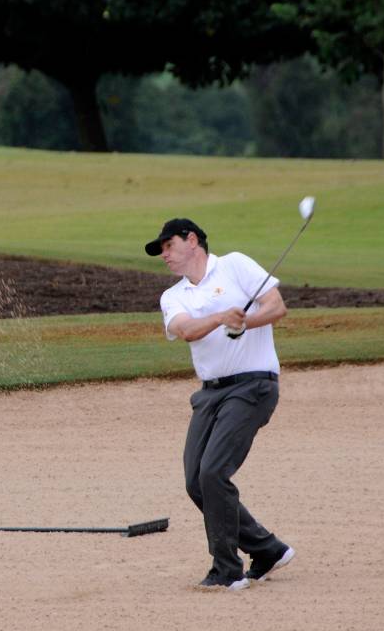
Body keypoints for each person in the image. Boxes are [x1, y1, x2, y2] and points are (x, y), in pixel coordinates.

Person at [145, 217, 295, 591]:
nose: (164, 255)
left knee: (213, 473)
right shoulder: (174, 296)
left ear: (191, 239)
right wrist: (220, 317)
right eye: (161, 250)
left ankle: (226, 568)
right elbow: (186, 330)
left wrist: (249, 321)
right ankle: (267, 548)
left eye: (168, 246)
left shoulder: (235, 265)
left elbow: (276, 307)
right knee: (196, 481)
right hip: (210, 393)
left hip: (253, 385)